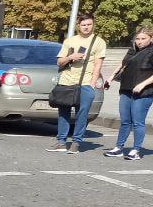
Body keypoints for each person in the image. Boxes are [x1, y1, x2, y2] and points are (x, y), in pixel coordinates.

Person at [49, 11, 107, 154]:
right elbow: (59, 62)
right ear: (78, 26)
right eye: (83, 25)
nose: (86, 27)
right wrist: (71, 57)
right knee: (63, 112)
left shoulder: (98, 42)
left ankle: (76, 142)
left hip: (85, 83)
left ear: (93, 25)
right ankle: (61, 142)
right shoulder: (70, 41)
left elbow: (98, 65)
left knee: (82, 114)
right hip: (66, 81)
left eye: (89, 24)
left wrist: (92, 85)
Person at [104, 23, 153, 160]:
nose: (139, 42)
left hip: (144, 92)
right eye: (137, 39)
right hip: (126, 88)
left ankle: (136, 150)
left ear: (151, 38)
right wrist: (111, 77)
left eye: (143, 39)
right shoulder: (132, 50)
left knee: (138, 122)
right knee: (125, 121)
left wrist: (142, 84)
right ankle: (118, 148)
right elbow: (123, 63)